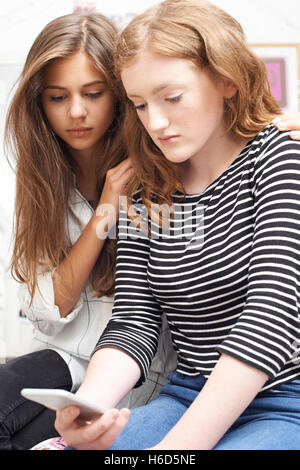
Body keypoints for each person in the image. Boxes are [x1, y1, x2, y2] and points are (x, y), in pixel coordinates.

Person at [53, 0, 300, 451]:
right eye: (140, 105)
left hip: (286, 403)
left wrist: (177, 451)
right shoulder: (147, 192)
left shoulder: (280, 159)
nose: (157, 122)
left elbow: (272, 316)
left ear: (227, 80)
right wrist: (86, 408)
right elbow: (134, 320)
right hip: (186, 396)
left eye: (172, 97)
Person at [2, 12, 176, 450]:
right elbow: (46, 307)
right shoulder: (42, 179)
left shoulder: (162, 170)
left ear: (119, 96)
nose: (76, 112)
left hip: (132, 376)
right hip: (57, 361)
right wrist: (103, 213)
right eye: (58, 97)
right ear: (39, 103)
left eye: (93, 93)